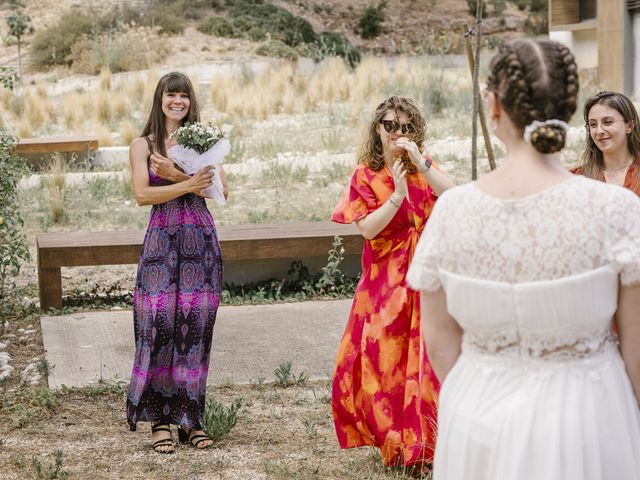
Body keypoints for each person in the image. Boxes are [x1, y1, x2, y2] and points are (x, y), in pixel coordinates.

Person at [407, 38, 640, 479]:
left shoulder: (452, 211)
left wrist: (484, 392)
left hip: (477, 415)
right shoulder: (618, 210)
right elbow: (637, 349)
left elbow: (438, 342)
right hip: (590, 418)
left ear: (493, 106)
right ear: (570, 109)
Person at [331, 95, 455, 469]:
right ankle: (394, 442)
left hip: (428, 276)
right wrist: (398, 194)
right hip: (385, 282)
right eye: (390, 125)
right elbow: (367, 228)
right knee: (382, 361)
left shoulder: (423, 168)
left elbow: (455, 196)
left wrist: (421, 161)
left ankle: (425, 445)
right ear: (377, 129)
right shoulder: (364, 175)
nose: (398, 133)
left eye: (406, 127)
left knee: (426, 359)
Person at [126, 71, 228, 453]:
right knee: (159, 325)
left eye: (185, 95)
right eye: (172, 94)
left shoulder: (204, 140)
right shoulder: (143, 145)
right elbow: (141, 195)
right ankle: (160, 420)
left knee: (195, 329)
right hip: (161, 243)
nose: (178, 101)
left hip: (199, 241)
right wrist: (185, 182)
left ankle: (191, 420)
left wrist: (181, 173)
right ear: (161, 98)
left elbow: (221, 191)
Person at [572, 91, 640, 195]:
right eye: (593, 124)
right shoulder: (577, 178)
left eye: (607, 122)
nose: (599, 131)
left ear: (629, 126)